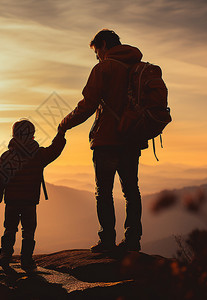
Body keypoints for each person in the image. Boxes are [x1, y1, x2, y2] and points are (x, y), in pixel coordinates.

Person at [58, 29, 147, 253]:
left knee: (104, 191)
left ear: (104, 45)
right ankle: (133, 240)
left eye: (97, 51)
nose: (97, 56)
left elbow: (88, 105)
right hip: (131, 139)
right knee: (131, 190)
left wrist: (64, 124)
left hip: (107, 139)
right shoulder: (137, 67)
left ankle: (107, 240)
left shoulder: (104, 68)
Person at [0, 119, 66, 271]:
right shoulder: (38, 155)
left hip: (11, 201)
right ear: (32, 136)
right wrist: (60, 134)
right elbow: (54, 150)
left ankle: (5, 256)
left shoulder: (7, 156)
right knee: (29, 231)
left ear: (14, 135)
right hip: (29, 201)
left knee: (10, 229)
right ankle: (26, 260)